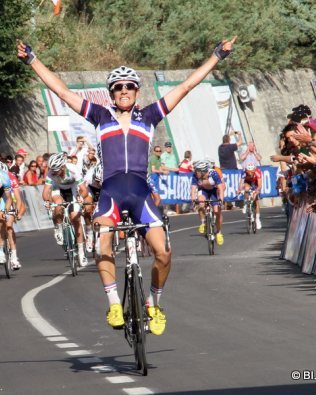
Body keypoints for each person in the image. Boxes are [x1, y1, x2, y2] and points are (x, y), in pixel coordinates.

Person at [18, 35, 237, 335]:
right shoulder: (99, 115)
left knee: (164, 253)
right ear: (111, 93)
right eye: (118, 87)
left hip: (140, 192)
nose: (124, 91)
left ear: (137, 90)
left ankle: (153, 303)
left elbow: (186, 86)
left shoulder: (149, 116)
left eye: (129, 86)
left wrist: (217, 56)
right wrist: (32, 60)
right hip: (110, 193)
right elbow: (61, 90)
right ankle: (113, 303)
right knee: (102, 243)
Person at [42, 152, 88, 267]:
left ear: (63, 166)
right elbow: (46, 192)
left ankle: (81, 252)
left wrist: (81, 198)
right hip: (58, 189)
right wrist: (47, 201)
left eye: (56, 169)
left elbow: (84, 189)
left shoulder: (72, 169)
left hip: (72, 189)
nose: (54, 172)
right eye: (52, 169)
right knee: (57, 204)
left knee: (75, 219)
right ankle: (58, 227)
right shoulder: (51, 173)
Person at [0, 162, 25, 270]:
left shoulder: (11, 177)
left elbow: (17, 196)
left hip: (9, 198)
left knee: (9, 227)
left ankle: (14, 258)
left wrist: (17, 210)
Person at [191, 160, 225, 244]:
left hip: (214, 191)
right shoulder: (195, 175)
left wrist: (221, 200)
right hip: (203, 191)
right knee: (201, 203)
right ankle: (203, 222)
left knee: (217, 211)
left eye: (197, 171)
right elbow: (193, 189)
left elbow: (221, 188)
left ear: (202, 171)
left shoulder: (213, 174)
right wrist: (194, 200)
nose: (196, 172)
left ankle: (219, 232)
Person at [239, 164, 263, 229]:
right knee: (246, 189)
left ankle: (257, 219)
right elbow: (241, 183)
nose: (250, 173)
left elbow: (260, 185)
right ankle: (246, 202)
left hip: (255, 183)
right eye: (248, 172)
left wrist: (256, 191)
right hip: (248, 182)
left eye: (251, 172)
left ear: (254, 170)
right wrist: (239, 190)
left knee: (256, 201)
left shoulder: (258, 172)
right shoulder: (244, 172)